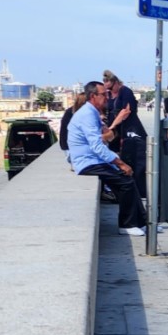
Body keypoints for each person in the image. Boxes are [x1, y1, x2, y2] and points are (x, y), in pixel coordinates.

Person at [69, 80, 147, 236]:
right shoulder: (87, 114)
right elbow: (97, 146)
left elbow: (109, 135)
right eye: (104, 94)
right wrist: (120, 163)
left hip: (94, 159)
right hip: (87, 162)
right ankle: (127, 224)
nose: (107, 97)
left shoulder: (92, 112)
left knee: (128, 180)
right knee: (125, 181)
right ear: (93, 96)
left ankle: (141, 222)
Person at [103, 70, 149, 209]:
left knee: (134, 161)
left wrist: (113, 125)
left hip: (130, 130)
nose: (109, 91)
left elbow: (126, 111)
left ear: (116, 83)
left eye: (110, 87)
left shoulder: (125, 92)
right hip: (115, 132)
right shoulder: (109, 94)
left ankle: (138, 190)